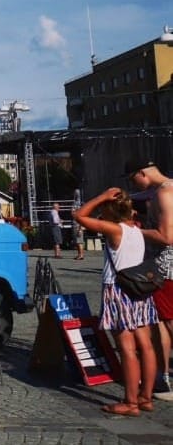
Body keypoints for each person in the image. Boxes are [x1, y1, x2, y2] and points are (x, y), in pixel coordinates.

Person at [73, 187, 170, 416]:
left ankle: (130, 402)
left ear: (110, 210)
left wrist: (101, 196)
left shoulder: (114, 230)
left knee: (126, 348)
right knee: (146, 345)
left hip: (119, 290)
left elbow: (79, 216)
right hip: (140, 290)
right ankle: (145, 397)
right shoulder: (137, 230)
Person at [125, 158, 173, 396]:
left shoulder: (164, 192)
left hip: (167, 266)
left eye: (133, 178)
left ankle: (163, 375)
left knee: (168, 321)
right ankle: (162, 376)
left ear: (141, 172)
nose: (134, 183)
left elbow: (166, 236)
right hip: (165, 266)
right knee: (161, 321)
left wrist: (134, 231)